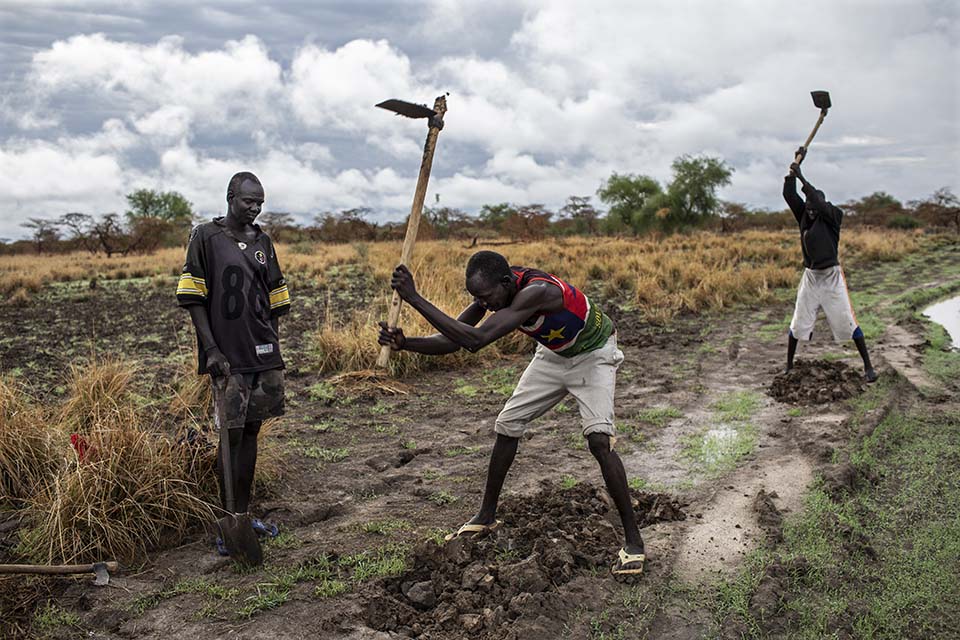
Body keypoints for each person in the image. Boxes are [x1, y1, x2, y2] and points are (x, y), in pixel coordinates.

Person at [378, 251, 646, 575]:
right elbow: (453, 340)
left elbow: (476, 340)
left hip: (593, 353)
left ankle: (633, 542)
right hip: (553, 355)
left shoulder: (539, 291)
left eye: (485, 297)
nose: (483, 304)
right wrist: (407, 343)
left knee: (599, 441)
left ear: (506, 283)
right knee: (507, 424)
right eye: (476, 298)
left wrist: (414, 298)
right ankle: (486, 516)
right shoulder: (494, 290)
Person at [177, 171, 290, 553]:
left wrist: (270, 341)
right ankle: (226, 520)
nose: (255, 208)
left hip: (262, 353)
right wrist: (211, 349)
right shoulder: (205, 237)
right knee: (231, 433)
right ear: (230, 197)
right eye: (248, 201)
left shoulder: (263, 241)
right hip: (227, 356)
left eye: (260, 202)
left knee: (254, 430)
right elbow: (193, 297)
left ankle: (244, 516)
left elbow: (277, 297)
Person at [783, 148, 877, 382]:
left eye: (815, 208)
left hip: (832, 277)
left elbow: (815, 199)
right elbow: (789, 194)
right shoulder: (805, 214)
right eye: (809, 209)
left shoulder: (834, 216)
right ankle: (789, 366)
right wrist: (792, 172)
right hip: (811, 277)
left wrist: (803, 177)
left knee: (847, 320)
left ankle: (868, 367)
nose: (811, 212)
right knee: (798, 323)